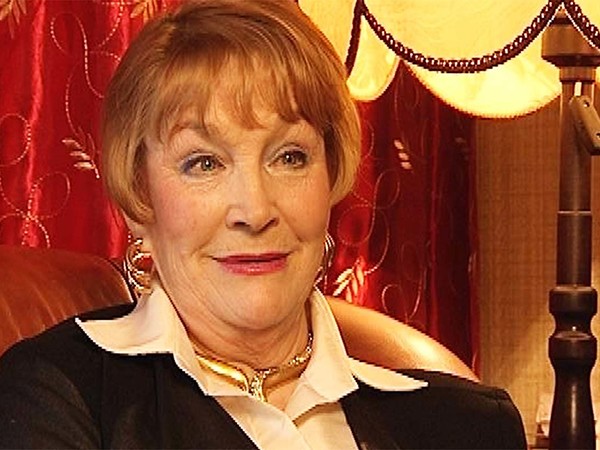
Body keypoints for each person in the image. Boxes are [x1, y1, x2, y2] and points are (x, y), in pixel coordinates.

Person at [0, 0, 527, 448]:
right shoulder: (56, 397)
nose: (254, 212)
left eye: (290, 157)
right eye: (204, 163)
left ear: (331, 175)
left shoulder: (468, 427)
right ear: (141, 196)